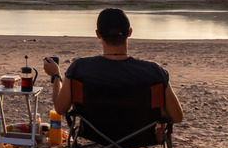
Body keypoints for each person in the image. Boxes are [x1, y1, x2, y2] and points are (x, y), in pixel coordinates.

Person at [43, 8, 183, 123]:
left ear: (98, 34)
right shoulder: (154, 71)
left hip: (95, 134)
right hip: (142, 136)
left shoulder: (80, 68)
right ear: (129, 33)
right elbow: (176, 117)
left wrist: (56, 75)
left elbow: (60, 109)